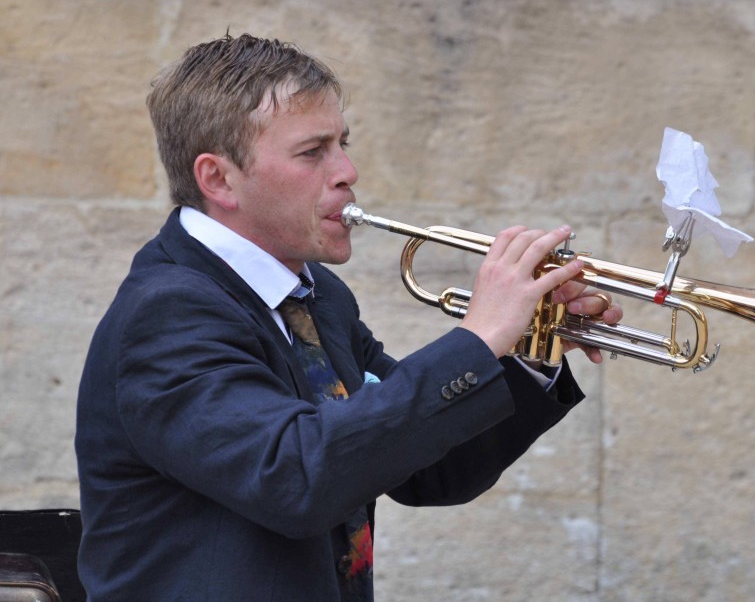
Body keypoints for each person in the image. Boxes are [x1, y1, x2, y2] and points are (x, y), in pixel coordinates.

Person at [75, 32, 621, 601]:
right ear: (218, 179)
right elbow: (296, 478)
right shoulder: (167, 313)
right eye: (313, 152)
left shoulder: (319, 297)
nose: (348, 171)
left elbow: (428, 468)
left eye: (343, 144)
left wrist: (527, 349)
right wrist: (478, 338)